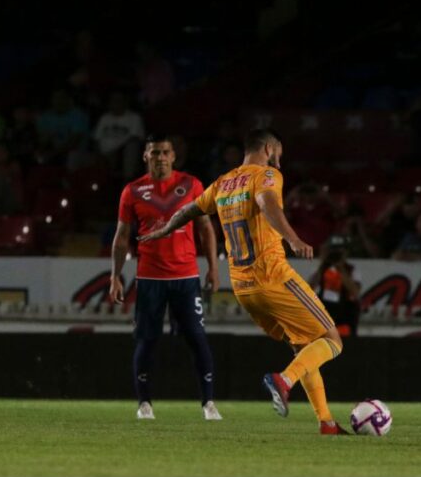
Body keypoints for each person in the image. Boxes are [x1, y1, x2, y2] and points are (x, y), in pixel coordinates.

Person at [139, 129, 349, 435]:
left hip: (243, 287)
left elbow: (188, 210)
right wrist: (292, 237)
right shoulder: (265, 175)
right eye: (278, 150)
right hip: (273, 275)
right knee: (332, 340)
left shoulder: (224, 182)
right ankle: (283, 380)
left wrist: (163, 230)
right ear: (267, 147)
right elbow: (267, 204)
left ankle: (326, 422)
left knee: (303, 346)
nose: (280, 157)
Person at [109, 135, 222, 421]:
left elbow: (206, 228)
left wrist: (213, 267)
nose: (160, 157)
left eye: (165, 152)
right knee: (147, 340)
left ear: (174, 156)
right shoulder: (132, 191)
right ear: (145, 157)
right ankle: (144, 404)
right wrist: (115, 275)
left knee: (197, 338)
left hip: (186, 277)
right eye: (154, 152)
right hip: (150, 278)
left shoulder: (192, 185)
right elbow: (122, 237)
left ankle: (208, 403)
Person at [308, 236, 362, 337]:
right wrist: (323, 264)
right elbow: (309, 289)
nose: (336, 253)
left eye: (339, 250)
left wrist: (340, 267)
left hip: (344, 313)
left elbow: (355, 292)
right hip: (326, 313)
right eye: (333, 250)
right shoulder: (321, 269)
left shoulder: (352, 270)